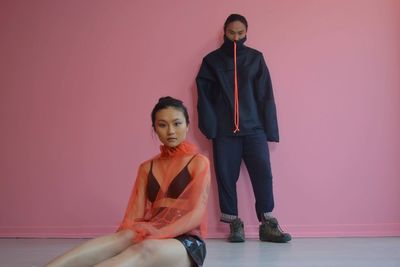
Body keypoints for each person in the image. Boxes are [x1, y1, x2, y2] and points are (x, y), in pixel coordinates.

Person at [45, 96, 210, 267]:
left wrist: (158, 233)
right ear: (154, 129)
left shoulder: (198, 162)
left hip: (186, 243)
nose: (170, 131)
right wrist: (123, 240)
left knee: (146, 247)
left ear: (187, 125)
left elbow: (196, 215)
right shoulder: (147, 167)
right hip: (152, 232)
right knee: (124, 236)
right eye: (162, 125)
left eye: (177, 123)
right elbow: (133, 218)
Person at [196, 13, 291, 243]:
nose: (236, 38)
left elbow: (265, 95)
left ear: (246, 33)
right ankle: (234, 224)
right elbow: (204, 96)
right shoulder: (212, 61)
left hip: (254, 129)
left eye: (240, 33)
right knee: (226, 177)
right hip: (225, 133)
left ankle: (267, 224)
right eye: (231, 33)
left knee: (263, 174)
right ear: (224, 33)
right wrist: (212, 128)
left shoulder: (256, 59)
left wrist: (270, 130)